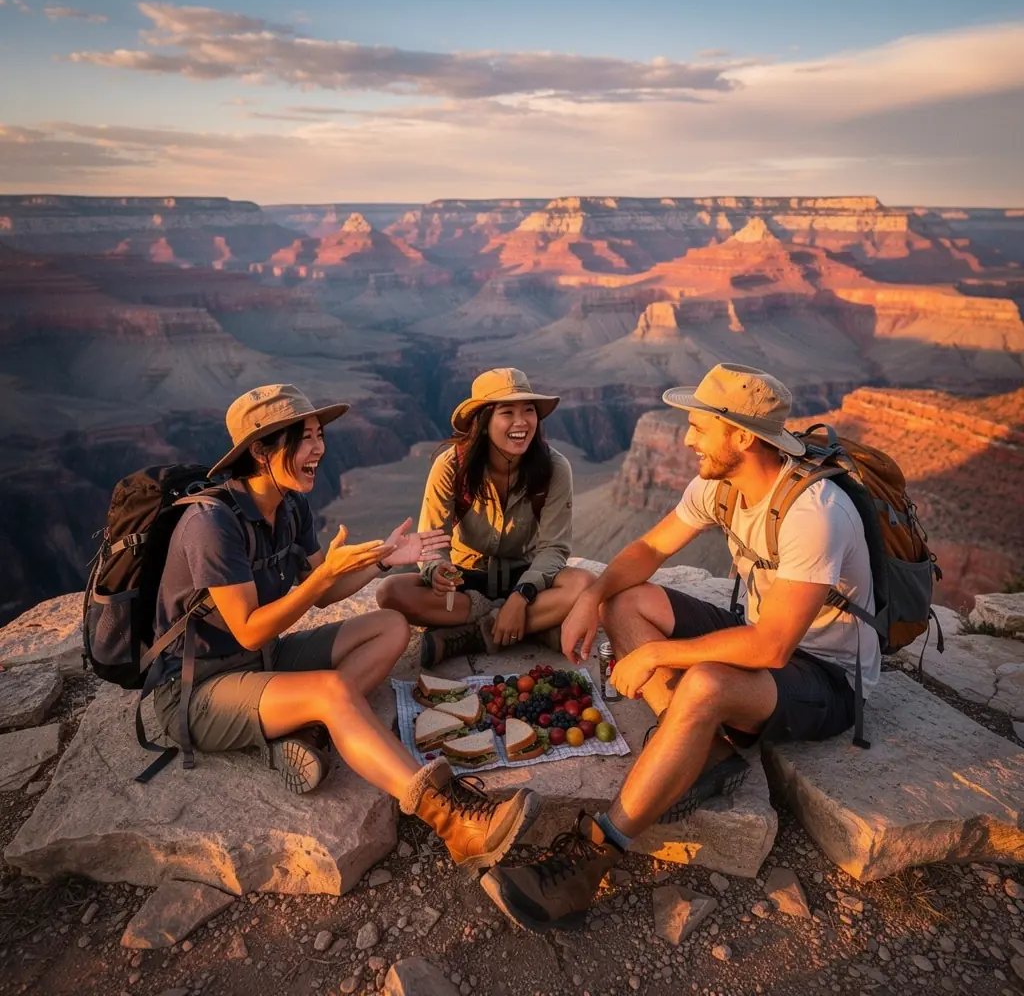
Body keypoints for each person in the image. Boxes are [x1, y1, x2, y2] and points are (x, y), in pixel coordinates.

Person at [480, 364, 879, 931]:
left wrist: (655, 655)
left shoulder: (814, 514)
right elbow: (648, 550)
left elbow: (772, 647)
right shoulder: (721, 485)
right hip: (759, 638)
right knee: (627, 602)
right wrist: (592, 596)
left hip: (826, 677)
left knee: (705, 683)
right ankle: (702, 750)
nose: (688, 439)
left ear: (742, 437)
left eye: (699, 427)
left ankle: (589, 863)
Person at [150, 383, 539, 870]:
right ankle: (453, 821)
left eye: (320, 435)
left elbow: (327, 591)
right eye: (305, 438)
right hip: (197, 691)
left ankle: (311, 728)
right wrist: (324, 577)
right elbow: (251, 628)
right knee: (333, 692)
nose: (319, 448)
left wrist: (384, 560)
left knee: (391, 626)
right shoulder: (213, 525)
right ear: (261, 451)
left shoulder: (289, 505)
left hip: (261, 662)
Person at [376, 368, 594, 668]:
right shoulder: (451, 466)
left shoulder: (554, 467)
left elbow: (554, 549)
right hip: (466, 581)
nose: (521, 422)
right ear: (483, 421)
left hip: (526, 576)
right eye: (507, 412)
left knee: (586, 585)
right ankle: (531, 627)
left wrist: (521, 597)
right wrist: (437, 570)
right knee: (390, 592)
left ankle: (477, 634)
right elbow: (432, 541)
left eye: (528, 410)